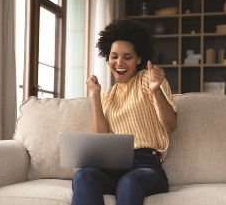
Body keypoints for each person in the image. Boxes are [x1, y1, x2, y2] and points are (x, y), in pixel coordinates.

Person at [71, 18, 178, 205]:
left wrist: (156, 90)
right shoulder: (108, 95)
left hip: (145, 166)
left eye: (127, 57)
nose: (119, 62)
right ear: (108, 58)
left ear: (138, 59)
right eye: (114, 56)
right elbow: (102, 139)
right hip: (113, 166)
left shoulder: (148, 80)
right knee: (83, 176)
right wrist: (95, 95)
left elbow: (171, 125)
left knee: (128, 182)